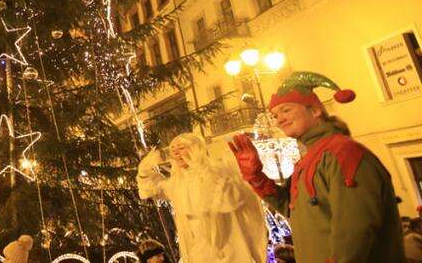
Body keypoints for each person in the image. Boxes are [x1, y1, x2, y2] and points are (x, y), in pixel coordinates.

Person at [229, 71, 406, 262]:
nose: (279, 120)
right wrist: (256, 176)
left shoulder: (343, 153)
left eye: (286, 110)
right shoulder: (310, 159)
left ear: (315, 110)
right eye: (275, 115)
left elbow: (354, 230)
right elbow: (295, 211)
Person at [137, 132, 266, 261]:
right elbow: (153, 187)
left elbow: (235, 197)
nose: (176, 153)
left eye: (181, 148)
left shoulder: (217, 172)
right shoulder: (177, 183)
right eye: (173, 150)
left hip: (228, 244)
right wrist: (144, 171)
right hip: (199, 249)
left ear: (196, 148)